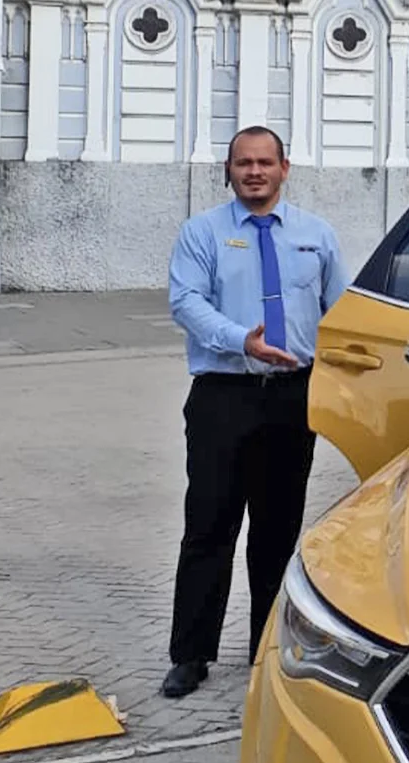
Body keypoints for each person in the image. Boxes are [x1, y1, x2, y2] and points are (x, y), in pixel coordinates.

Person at [160, 125, 347, 698]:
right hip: (225, 394)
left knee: (276, 531)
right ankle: (190, 656)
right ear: (229, 169)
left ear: (284, 168)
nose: (255, 172)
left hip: (293, 399)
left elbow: (340, 313)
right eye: (244, 163)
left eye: (265, 162)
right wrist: (242, 339)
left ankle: (266, 651)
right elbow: (185, 301)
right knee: (209, 527)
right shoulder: (203, 233)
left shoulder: (317, 235)